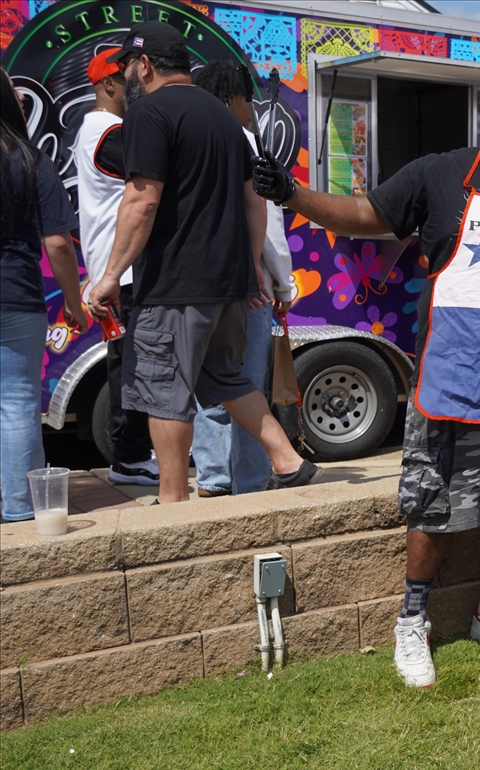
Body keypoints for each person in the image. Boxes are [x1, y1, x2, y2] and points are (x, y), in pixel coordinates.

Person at [251, 74, 480, 687]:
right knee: (432, 504)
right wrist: (292, 194)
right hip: (454, 375)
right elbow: (364, 215)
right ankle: (412, 620)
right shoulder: (439, 173)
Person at [86, 22, 321, 505]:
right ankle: (287, 460)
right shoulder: (225, 118)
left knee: (163, 390)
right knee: (224, 376)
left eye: (128, 65)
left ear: (144, 65)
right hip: (228, 283)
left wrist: (109, 276)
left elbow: (142, 200)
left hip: (175, 284)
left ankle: (172, 501)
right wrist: (250, 267)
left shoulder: (149, 112)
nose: (127, 75)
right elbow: (254, 201)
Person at [190, 60, 295, 497]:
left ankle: (212, 477)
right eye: (247, 100)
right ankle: (250, 481)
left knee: (210, 382)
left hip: (199, 283)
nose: (251, 110)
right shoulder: (246, 140)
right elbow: (267, 223)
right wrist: (283, 283)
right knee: (247, 383)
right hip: (248, 285)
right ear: (233, 98)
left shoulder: (188, 136)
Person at [1, 68, 87, 521]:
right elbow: (58, 243)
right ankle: (17, 508)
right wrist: (74, 303)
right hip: (16, 294)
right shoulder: (30, 160)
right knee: (17, 401)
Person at [73, 49, 159, 488]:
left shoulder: (99, 129)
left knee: (129, 363)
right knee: (132, 366)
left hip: (116, 271)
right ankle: (130, 458)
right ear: (108, 84)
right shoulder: (108, 132)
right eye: (129, 78)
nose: (137, 84)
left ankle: (133, 455)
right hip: (122, 273)